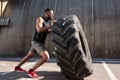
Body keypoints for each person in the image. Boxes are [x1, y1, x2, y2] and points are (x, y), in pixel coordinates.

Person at [14, 8, 54, 78]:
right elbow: (39, 30)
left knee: (28, 56)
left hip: (38, 42)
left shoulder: (47, 22)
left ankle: (17, 67)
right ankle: (31, 71)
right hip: (37, 43)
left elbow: (48, 32)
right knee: (46, 57)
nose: (52, 15)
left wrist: (53, 27)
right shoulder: (40, 19)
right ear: (47, 13)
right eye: (51, 14)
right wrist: (50, 26)